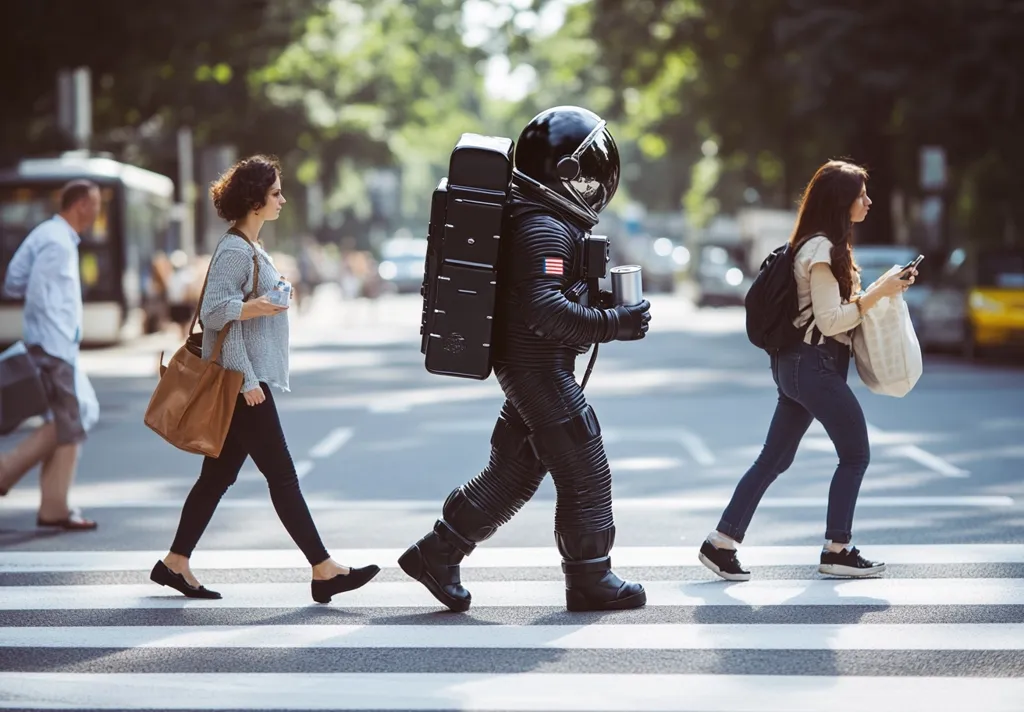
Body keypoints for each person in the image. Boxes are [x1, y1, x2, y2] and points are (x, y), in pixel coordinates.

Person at [398, 106, 653, 613]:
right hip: (537, 369)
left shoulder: (539, 219)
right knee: (585, 470)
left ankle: (438, 553)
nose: (599, 181)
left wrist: (596, 307)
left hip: (531, 367)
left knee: (514, 472)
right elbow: (542, 309)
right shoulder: (544, 226)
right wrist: (615, 324)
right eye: (591, 169)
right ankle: (589, 580)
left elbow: (544, 297)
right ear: (566, 172)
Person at [150, 155, 379, 602]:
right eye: (275, 193)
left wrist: (274, 298)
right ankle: (324, 569)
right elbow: (218, 316)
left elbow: (242, 310)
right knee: (283, 476)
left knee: (216, 479)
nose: (282, 199)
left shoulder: (252, 248)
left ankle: (175, 563)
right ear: (255, 200)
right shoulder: (236, 250)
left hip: (245, 379)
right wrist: (248, 375)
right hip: (241, 383)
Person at [698, 159, 918, 581]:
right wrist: (879, 293)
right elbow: (832, 320)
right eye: (861, 195)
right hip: (812, 365)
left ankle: (720, 543)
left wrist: (883, 290)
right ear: (842, 201)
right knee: (855, 455)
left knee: (773, 460)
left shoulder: (820, 245)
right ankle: (838, 548)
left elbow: (832, 316)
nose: (869, 202)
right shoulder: (819, 250)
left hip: (799, 365)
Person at [0, 179, 100, 530]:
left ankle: (52, 503)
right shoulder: (57, 242)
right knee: (70, 422)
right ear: (80, 205)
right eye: (95, 203)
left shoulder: (52, 236)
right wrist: (58, 348)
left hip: (52, 345)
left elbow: (14, 282)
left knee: (70, 419)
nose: (98, 210)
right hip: (55, 349)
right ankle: (29, 489)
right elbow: (41, 295)